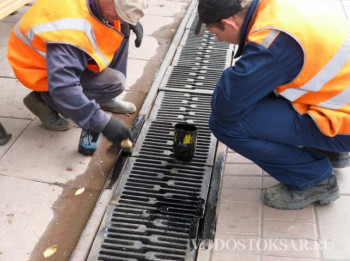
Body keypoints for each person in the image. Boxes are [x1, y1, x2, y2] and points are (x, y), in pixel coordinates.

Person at [195, 0, 350, 209]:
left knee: (225, 124)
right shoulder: (276, 8)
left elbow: (227, 107)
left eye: (215, 34)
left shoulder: (271, 43)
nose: (220, 40)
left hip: (344, 125)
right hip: (340, 99)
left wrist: (234, 76)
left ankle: (314, 179)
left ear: (229, 22)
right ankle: (331, 151)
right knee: (267, 88)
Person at [7, 0, 149, 155]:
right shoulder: (70, 30)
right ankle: (42, 99)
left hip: (58, 50)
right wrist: (102, 123)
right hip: (39, 68)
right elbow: (63, 87)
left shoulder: (99, 6)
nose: (121, 18)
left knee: (121, 28)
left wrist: (130, 20)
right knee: (114, 82)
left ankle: (100, 96)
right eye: (120, 13)